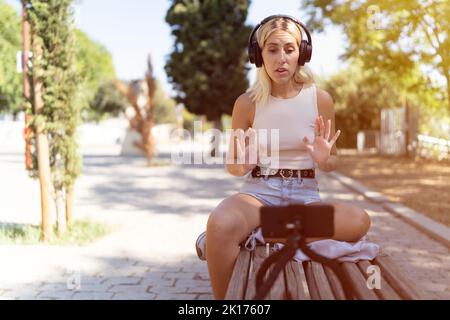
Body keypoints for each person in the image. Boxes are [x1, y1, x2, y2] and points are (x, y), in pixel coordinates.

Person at [196, 15, 375, 300]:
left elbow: (330, 163)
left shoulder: (321, 99)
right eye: (272, 49)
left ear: (301, 54)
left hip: (304, 196)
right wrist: (245, 163)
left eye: (289, 49)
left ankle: (256, 234)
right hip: (259, 194)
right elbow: (233, 166)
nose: (281, 58)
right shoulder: (246, 103)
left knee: (358, 220)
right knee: (219, 223)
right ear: (259, 55)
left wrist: (324, 158)